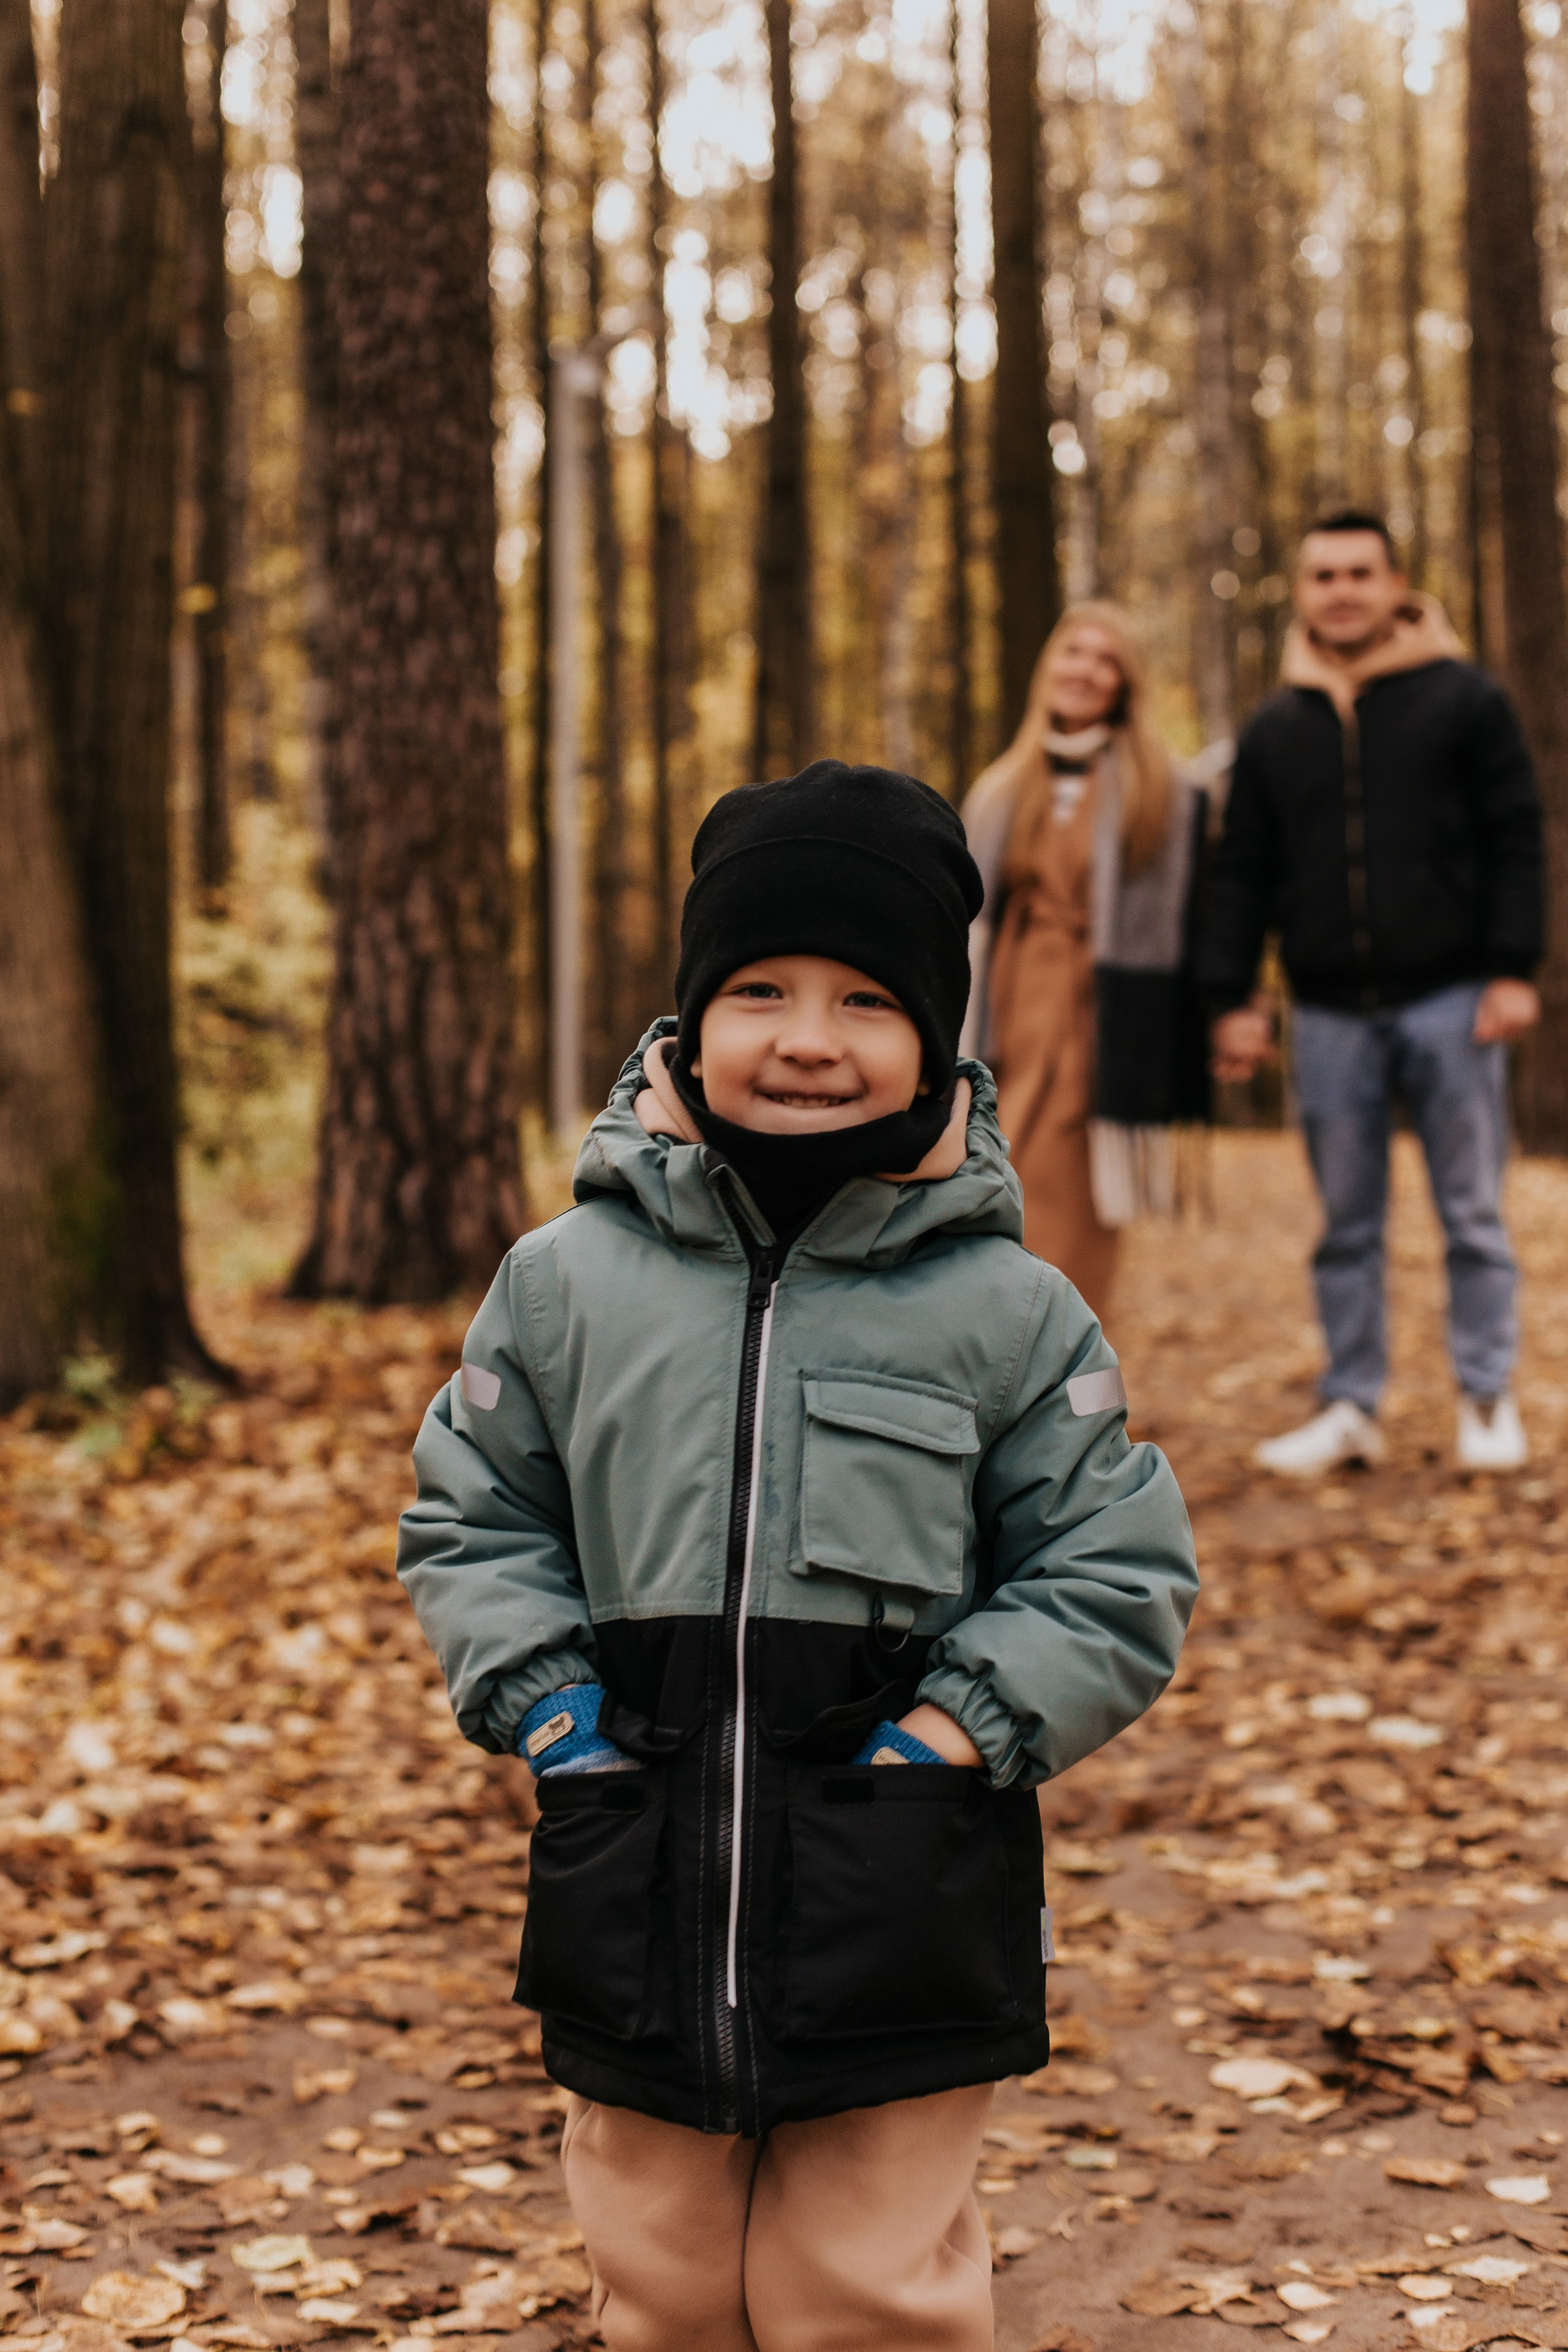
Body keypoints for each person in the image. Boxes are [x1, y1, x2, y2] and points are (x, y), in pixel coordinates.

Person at [397, 760, 1197, 2352]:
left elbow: (1116, 1567)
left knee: (866, 2287)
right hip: (634, 1856)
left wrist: (954, 1726)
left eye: (864, 999)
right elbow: (472, 1515)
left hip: (906, 1872)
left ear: (934, 1038)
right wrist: (553, 1708)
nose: (809, 1038)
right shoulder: (564, 1287)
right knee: (665, 2275)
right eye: (759, 989)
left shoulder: (1010, 1312)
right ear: (691, 1016)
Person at [1199, 509, 1544, 1476]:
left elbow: (1518, 834)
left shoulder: (1467, 701)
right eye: (1324, 576)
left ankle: (1485, 1399)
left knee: (1470, 1214)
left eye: (1360, 573)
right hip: (1329, 1013)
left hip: (1453, 1000)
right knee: (1345, 1225)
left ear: (1398, 587)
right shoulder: (1275, 729)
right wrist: (1232, 995)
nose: (1343, 590)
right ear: (1303, 594)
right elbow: (1245, 874)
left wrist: (1515, 966)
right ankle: (1352, 1404)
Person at [960, 601, 1210, 1321]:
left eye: (1106, 659)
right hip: (1007, 1008)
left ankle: (1072, 1388)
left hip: (1099, 1019)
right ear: (1050, 669)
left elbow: (1193, 919)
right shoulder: (1000, 788)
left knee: (1072, 1205)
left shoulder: (1160, 790)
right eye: (1074, 652)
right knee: (991, 1179)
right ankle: (995, 1370)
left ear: (1123, 683)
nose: (1086, 670)